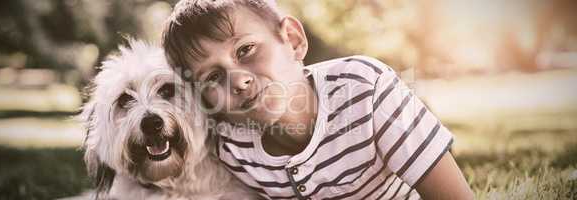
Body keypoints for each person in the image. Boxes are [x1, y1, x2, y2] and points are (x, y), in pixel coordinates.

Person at [162, 0, 474, 199]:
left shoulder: (365, 89)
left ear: (293, 41)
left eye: (246, 50)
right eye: (213, 77)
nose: (239, 81)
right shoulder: (229, 144)